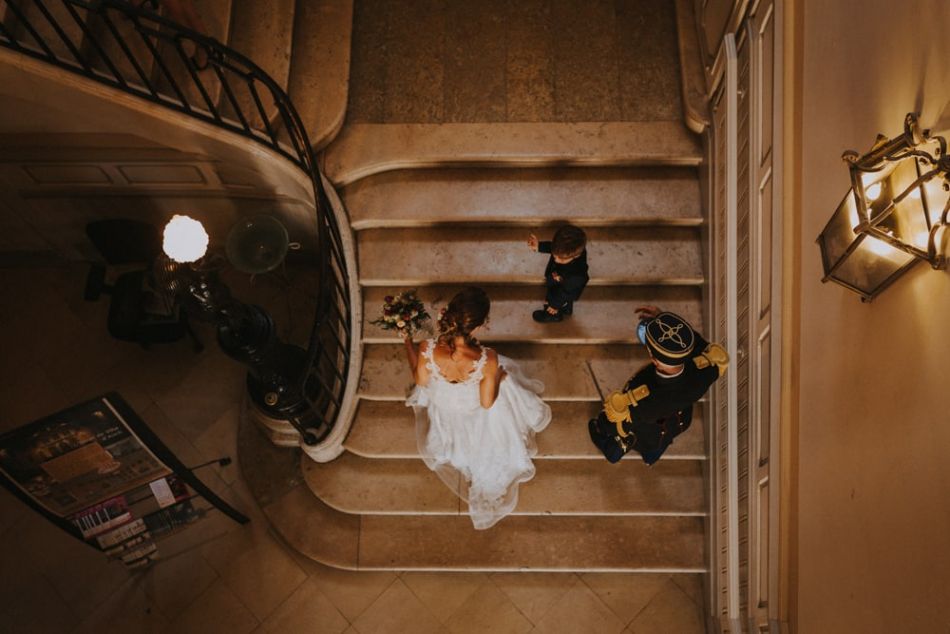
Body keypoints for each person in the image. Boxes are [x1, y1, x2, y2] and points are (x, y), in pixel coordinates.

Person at [403, 287, 552, 529]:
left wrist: (407, 342)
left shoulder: (426, 349)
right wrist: (498, 378)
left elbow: (420, 382)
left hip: (445, 405)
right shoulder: (487, 358)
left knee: (498, 376)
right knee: (504, 379)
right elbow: (486, 403)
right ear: (480, 325)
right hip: (470, 408)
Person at [588, 305, 728, 465]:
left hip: (648, 433)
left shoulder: (645, 400)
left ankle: (621, 451)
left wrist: (602, 424)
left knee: (641, 442)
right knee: (658, 444)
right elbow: (697, 345)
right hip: (679, 421)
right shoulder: (705, 370)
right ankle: (651, 458)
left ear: (654, 360)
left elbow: (616, 425)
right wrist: (665, 323)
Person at [527, 225, 589, 323]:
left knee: (554, 296)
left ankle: (553, 315)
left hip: (563, 287)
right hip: (560, 279)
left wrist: (554, 305)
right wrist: (539, 246)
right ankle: (567, 308)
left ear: (577, 256)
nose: (556, 259)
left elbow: (566, 292)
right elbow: (552, 247)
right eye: (555, 255)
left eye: (562, 259)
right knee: (563, 297)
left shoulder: (576, 275)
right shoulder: (567, 250)